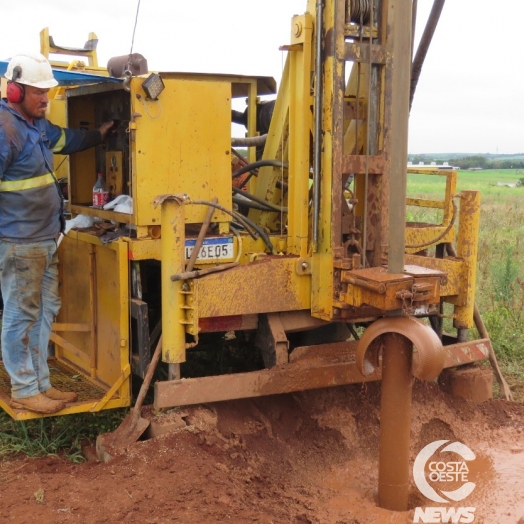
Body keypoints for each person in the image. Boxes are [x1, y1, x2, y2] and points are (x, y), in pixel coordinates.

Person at [0, 53, 114, 414]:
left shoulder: (36, 125)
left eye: (48, 92)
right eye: (38, 93)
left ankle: (40, 385)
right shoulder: (6, 130)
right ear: (15, 91)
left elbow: (66, 140)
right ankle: (23, 388)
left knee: (45, 309)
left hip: (46, 239)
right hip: (20, 242)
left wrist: (99, 134)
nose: (46, 100)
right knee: (20, 314)